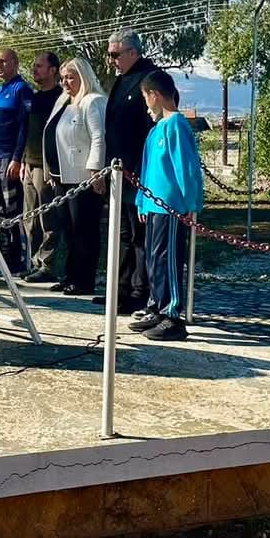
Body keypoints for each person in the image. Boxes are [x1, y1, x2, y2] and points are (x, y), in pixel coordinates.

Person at [128, 70, 203, 340]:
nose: (146, 105)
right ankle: (156, 307)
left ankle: (172, 314)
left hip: (171, 207)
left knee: (167, 260)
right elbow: (147, 170)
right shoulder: (155, 130)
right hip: (153, 206)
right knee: (153, 258)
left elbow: (186, 168)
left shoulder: (176, 125)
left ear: (155, 95)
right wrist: (141, 200)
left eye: (145, 98)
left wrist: (191, 203)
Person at [97, 29, 159, 315]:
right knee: (121, 234)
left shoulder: (150, 79)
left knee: (139, 236)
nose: (111, 60)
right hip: (117, 171)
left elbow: (151, 129)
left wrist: (141, 171)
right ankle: (119, 290)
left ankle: (138, 292)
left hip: (138, 172)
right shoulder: (121, 81)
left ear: (133, 52)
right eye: (109, 55)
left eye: (115, 54)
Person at [41, 57, 107, 295]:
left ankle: (84, 280)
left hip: (83, 178)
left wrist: (96, 171)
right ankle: (70, 275)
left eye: (70, 77)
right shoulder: (64, 101)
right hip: (61, 176)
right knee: (68, 230)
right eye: (63, 78)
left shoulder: (93, 101)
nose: (65, 82)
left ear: (83, 76)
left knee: (84, 232)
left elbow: (98, 137)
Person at [0, 48, 32, 273]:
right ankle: (2, 255)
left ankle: (15, 257)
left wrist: (17, 158)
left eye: (3, 61)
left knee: (12, 209)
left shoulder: (21, 89)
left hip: (8, 160)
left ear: (14, 63)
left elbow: (24, 126)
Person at [21, 51, 64, 284]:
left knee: (48, 218)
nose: (34, 70)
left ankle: (48, 265)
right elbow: (29, 131)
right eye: (34, 66)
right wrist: (23, 160)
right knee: (30, 220)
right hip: (29, 164)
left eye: (39, 66)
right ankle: (34, 262)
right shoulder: (35, 98)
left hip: (47, 168)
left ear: (53, 70)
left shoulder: (61, 99)